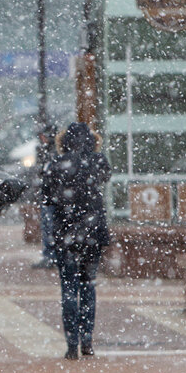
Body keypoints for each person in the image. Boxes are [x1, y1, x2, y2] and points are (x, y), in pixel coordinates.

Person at [41, 123, 111, 360]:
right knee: (88, 285)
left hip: (66, 233)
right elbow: (105, 177)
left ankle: (71, 343)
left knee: (68, 287)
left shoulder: (55, 164)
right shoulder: (98, 161)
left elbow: (47, 197)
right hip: (92, 233)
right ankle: (87, 340)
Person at [31, 123, 58, 269]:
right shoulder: (44, 150)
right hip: (49, 196)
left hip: (52, 196)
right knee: (48, 226)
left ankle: (51, 255)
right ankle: (50, 255)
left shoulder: (53, 152)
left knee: (50, 227)